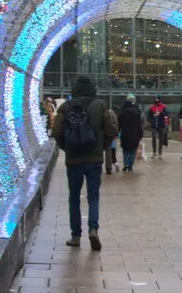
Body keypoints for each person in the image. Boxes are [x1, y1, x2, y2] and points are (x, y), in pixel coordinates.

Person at [51, 75, 118, 250]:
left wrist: (66, 147)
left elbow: (56, 131)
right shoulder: (101, 105)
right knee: (93, 196)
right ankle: (93, 230)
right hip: (94, 159)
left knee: (74, 197)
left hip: (73, 160)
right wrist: (102, 146)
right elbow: (112, 129)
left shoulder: (65, 107)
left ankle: (75, 236)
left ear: (75, 89)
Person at [118, 97, 144, 171]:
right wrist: (141, 135)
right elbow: (139, 125)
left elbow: (119, 124)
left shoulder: (122, 113)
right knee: (133, 150)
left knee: (125, 150)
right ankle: (130, 166)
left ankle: (126, 163)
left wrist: (117, 132)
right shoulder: (136, 113)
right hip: (134, 134)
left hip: (124, 134)